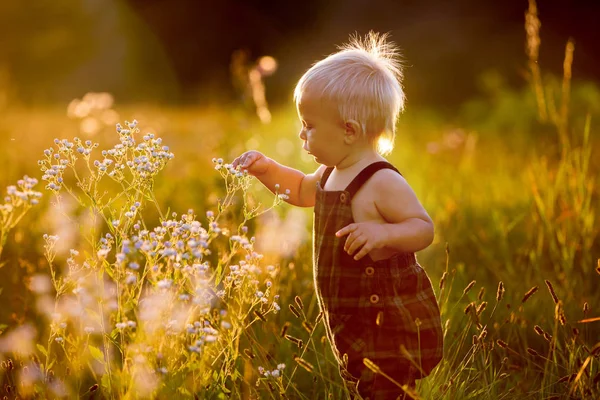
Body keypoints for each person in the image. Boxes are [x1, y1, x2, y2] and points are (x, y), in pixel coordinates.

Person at [232, 32, 443, 400]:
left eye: (310, 126)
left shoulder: (380, 180)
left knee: (387, 389)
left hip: (386, 322)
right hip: (349, 316)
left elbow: (423, 229)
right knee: (362, 384)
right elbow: (299, 190)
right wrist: (265, 169)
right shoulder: (331, 173)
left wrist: (384, 236)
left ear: (349, 131)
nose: (301, 135)